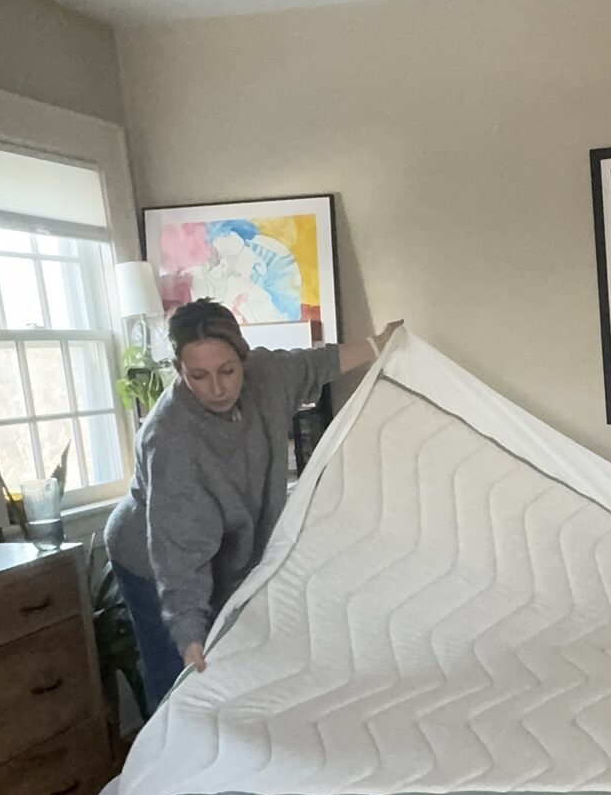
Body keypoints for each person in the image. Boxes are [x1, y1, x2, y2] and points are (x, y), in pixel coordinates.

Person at [105, 300, 399, 711]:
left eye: (227, 370)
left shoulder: (267, 376)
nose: (217, 388)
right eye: (198, 376)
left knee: (234, 662)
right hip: (150, 556)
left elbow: (316, 365)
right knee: (179, 680)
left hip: (218, 546)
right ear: (178, 370)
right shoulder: (172, 441)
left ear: (243, 357)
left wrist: (379, 343)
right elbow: (179, 556)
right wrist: (189, 636)